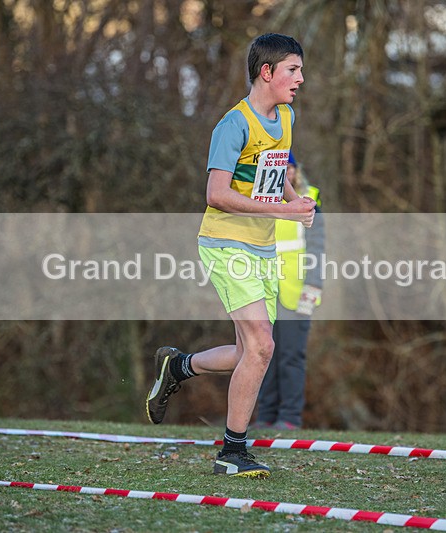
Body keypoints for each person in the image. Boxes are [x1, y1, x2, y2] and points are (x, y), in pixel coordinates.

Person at [146, 33, 315, 478]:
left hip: (262, 247)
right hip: (225, 243)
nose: (300, 78)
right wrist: (284, 211)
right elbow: (216, 194)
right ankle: (232, 452)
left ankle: (178, 366)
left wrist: (296, 201)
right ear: (267, 72)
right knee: (263, 345)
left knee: (248, 352)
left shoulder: (287, 116)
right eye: (293, 70)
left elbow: (273, 173)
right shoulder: (233, 125)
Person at [253, 152, 324, 430]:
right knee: (263, 354)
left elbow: (317, 248)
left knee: (291, 356)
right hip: (266, 290)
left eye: (291, 167)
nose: (287, 172)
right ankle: (266, 416)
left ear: (297, 171)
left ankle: (290, 418)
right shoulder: (261, 201)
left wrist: (313, 287)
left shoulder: (310, 200)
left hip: (298, 292)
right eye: (283, 168)